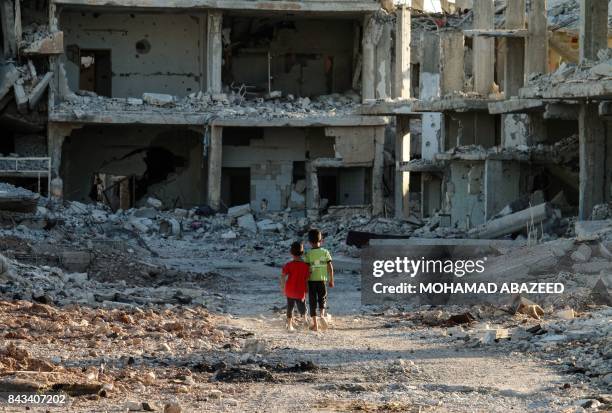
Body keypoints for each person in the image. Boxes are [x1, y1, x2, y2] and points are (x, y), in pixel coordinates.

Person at [304, 229, 334, 331]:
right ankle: (321, 316)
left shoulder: (308, 254)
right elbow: (330, 266)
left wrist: (305, 283)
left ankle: (315, 325)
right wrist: (331, 279)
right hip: (322, 281)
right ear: (321, 241)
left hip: (311, 281)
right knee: (322, 298)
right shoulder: (325, 252)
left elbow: (306, 270)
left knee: (312, 301)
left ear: (309, 242)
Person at [281, 241, 310, 331]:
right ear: (302, 253)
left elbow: (283, 276)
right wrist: (307, 289)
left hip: (289, 290)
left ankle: (290, 325)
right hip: (300, 291)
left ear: (291, 253)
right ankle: (305, 320)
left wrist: (283, 288)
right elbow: (307, 279)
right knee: (302, 308)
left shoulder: (288, 265)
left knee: (290, 308)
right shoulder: (306, 266)